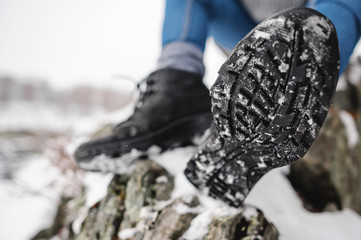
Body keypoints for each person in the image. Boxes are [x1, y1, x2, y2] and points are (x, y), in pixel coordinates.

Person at [74, 0, 361, 207]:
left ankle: (309, 70)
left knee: (339, 8)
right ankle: (177, 91)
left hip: (323, 17)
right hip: (251, 34)